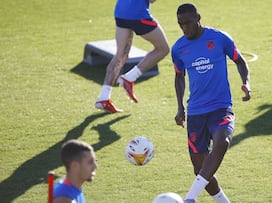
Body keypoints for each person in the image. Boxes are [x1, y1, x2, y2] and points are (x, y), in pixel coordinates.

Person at [172, 3, 251, 203]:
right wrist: (180, 108)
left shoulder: (219, 38)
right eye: (180, 24)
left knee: (222, 141)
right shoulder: (179, 48)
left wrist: (246, 83)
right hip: (196, 112)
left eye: (188, 23)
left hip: (221, 107)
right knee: (200, 169)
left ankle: (190, 198)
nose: (184, 28)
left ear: (198, 17)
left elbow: (240, 61)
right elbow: (179, 76)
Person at [95, 0, 170, 113]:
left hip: (121, 11)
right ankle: (129, 78)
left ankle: (103, 98)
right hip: (137, 14)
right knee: (163, 49)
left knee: (121, 54)